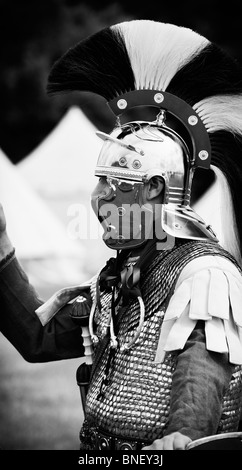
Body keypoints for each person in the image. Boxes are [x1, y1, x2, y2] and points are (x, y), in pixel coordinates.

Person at [1, 19, 242, 451]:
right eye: (99, 182)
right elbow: (37, 339)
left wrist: (183, 436)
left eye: (115, 184)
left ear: (153, 188)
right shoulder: (126, 273)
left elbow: (203, 380)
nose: (97, 200)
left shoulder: (205, 274)